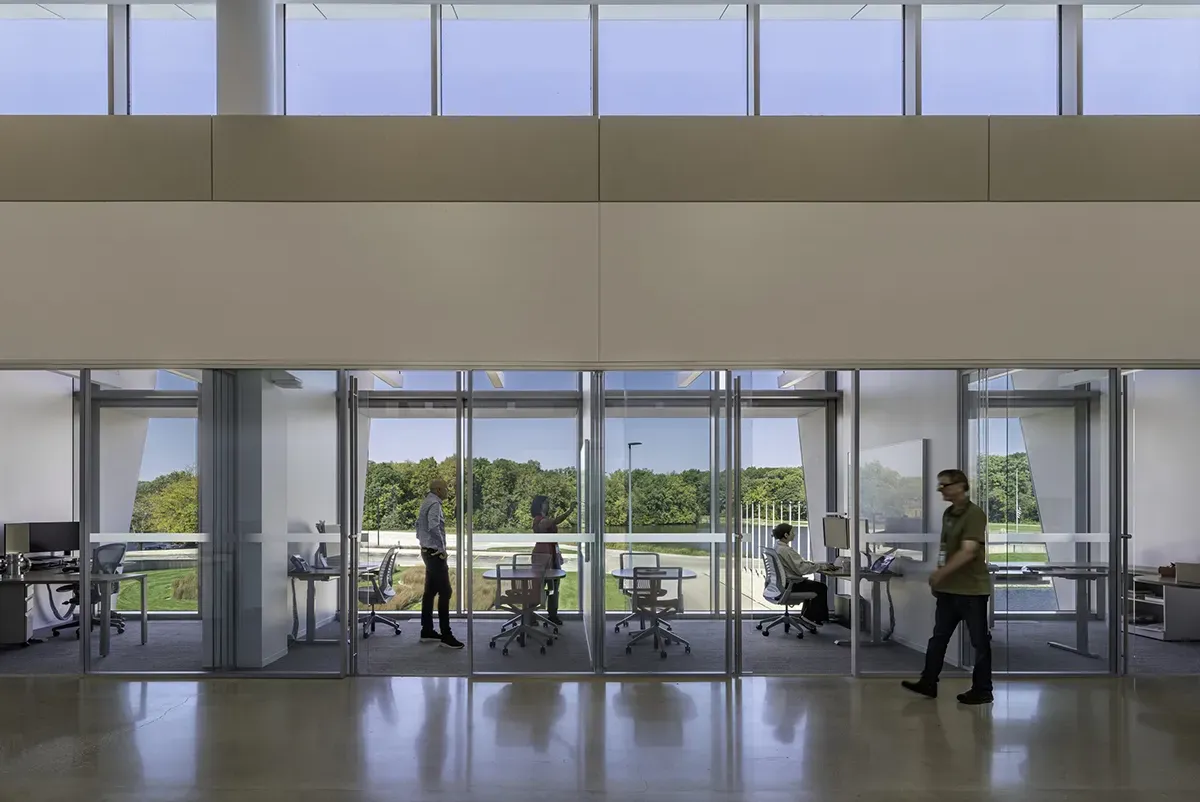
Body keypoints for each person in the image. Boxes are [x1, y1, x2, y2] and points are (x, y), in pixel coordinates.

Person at [902, 469, 992, 705]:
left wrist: (941, 574)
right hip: (949, 590)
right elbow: (945, 549)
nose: (940, 489)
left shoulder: (974, 514)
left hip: (972, 590)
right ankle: (928, 682)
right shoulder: (948, 514)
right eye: (939, 485)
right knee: (938, 638)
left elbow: (969, 551)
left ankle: (983, 689)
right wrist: (940, 577)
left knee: (979, 641)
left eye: (945, 485)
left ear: (961, 486)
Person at [416, 477, 463, 650]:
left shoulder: (426, 502)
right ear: (438, 490)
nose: (447, 491)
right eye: (445, 489)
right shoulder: (435, 504)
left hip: (426, 551)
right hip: (435, 553)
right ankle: (446, 635)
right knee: (446, 592)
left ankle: (427, 630)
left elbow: (418, 526)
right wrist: (442, 548)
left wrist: (423, 542)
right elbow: (434, 527)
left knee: (430, 592)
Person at [771, 523, 830, 628]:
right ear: (786, 535)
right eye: (792, 532)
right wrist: (819, 567)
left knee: (810, 585)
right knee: (821, 587)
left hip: (781, 584)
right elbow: (801, 568)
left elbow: (798, 564)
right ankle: (811, 618)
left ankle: (807, 616)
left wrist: (813, 565)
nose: (794, 534)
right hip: (790, 585)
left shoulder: (777, 547)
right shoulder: (786, 550)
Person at [531, 495, 576, 627]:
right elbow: (552, 522)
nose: (548, 505)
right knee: (538, 587)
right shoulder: (538, 519)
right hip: (542, 555)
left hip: (552, 553)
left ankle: (552, 615)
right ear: (540, 505)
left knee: (554, 587)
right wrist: (569, 511)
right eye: (546, 503)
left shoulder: (544, 519)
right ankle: (531, 616)